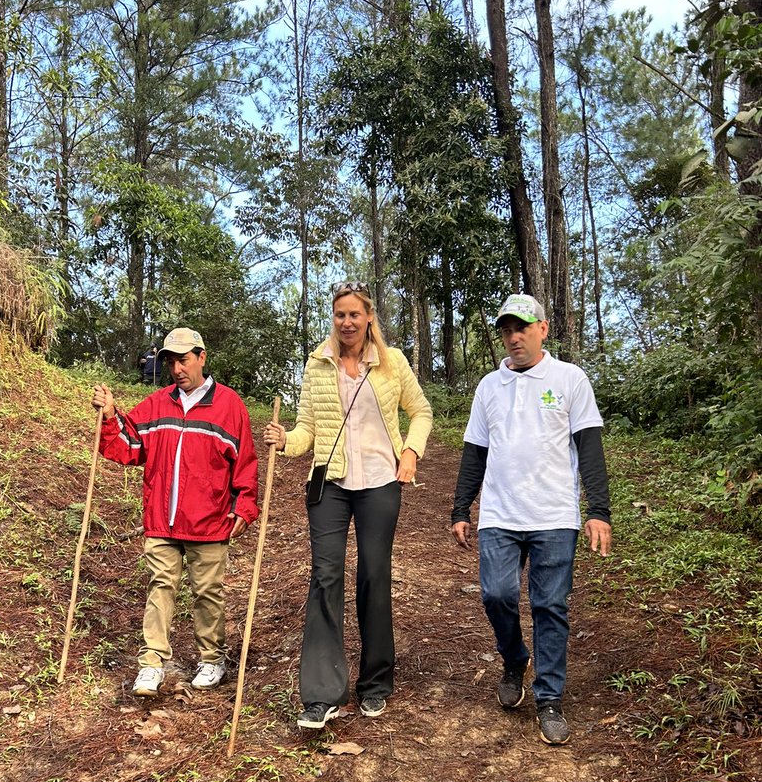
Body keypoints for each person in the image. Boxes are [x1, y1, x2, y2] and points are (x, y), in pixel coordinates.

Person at [263, 282, 433, 731]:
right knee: (325, 576)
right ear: (333, 318)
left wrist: (411, 453)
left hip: (380, 481)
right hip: (331, 483)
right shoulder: (318, 364)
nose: (347, 322)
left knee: (374, 575)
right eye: (340, 314)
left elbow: (422, 412)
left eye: (355, 314)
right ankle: (322, 694)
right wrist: (286, 443)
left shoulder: (392, 362)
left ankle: (375, 682)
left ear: (369, 316)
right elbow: (305, 430)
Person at [451, 293, 612, 746]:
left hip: (555, 514)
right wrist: (461, 507)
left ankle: (549, 698)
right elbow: (475, 451)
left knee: (550, 606)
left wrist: (598, 510)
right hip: (500, 513)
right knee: (497, 594)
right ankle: (513, 658)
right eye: (506, 329)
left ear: (543, 328)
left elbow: (590, 448)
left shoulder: (569, 379)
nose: (514, 337)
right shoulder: (489, 386)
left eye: (522, 327)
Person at [92, 327, 258, 697]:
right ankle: (151, 664)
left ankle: (212, 659)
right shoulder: (156, 404)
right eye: (171, 361)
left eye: (183, 360)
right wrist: (108, 415)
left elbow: (245, 462)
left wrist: (244, 507)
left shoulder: (230, 406)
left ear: (202, 357)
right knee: (160, 588)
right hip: (162, 520)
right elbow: (129, 445)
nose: (177, 368)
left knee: (208, 592)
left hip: (210, 521)